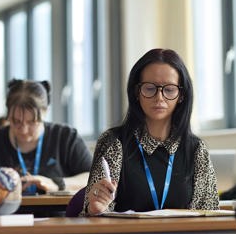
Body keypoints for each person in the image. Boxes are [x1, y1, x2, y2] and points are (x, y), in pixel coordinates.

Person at [81, 48, 219, 216]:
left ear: (181, 95)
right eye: (149, 88)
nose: (159, 98)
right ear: (136, 92)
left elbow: (208, 215)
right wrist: (95, 210)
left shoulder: (196, 150)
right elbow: (93, 216)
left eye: (169, 89)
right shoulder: (114, 143)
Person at [0, 79, 92, 194]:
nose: (24, 130)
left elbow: (91, 177)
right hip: (7, 212)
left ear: (45, 112)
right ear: (7, 115)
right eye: (16, 121)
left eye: (32, 122)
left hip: (57, 211)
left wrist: (56, 183)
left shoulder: (66, 137)